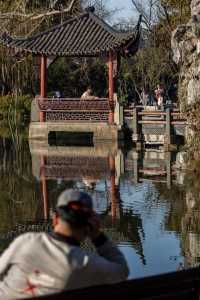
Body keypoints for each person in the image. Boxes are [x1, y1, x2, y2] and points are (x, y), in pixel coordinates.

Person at [0, 189, 129, 299]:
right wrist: (97, 236)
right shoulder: (86, 264)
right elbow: (121, 271)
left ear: (55, 220)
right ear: (88, 227)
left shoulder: (26, 241)